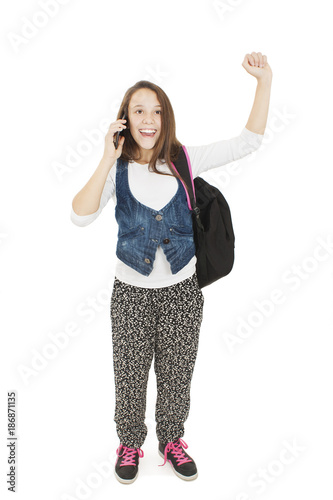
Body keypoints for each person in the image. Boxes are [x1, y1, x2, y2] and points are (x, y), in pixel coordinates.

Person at [71, 51, 272, 484]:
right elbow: (80, 216)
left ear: (166, 119)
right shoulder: (117, 170)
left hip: (182, 291)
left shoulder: (184, 160)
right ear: (124, 118)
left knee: (177, 373)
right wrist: (106, 158)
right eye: (139, 110)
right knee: (129, 374)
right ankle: (129, 442)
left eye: (157, 111)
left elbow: (247, 142)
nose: (149, 119)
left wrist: (264, 83)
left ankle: (172, 439)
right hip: (130, 294)